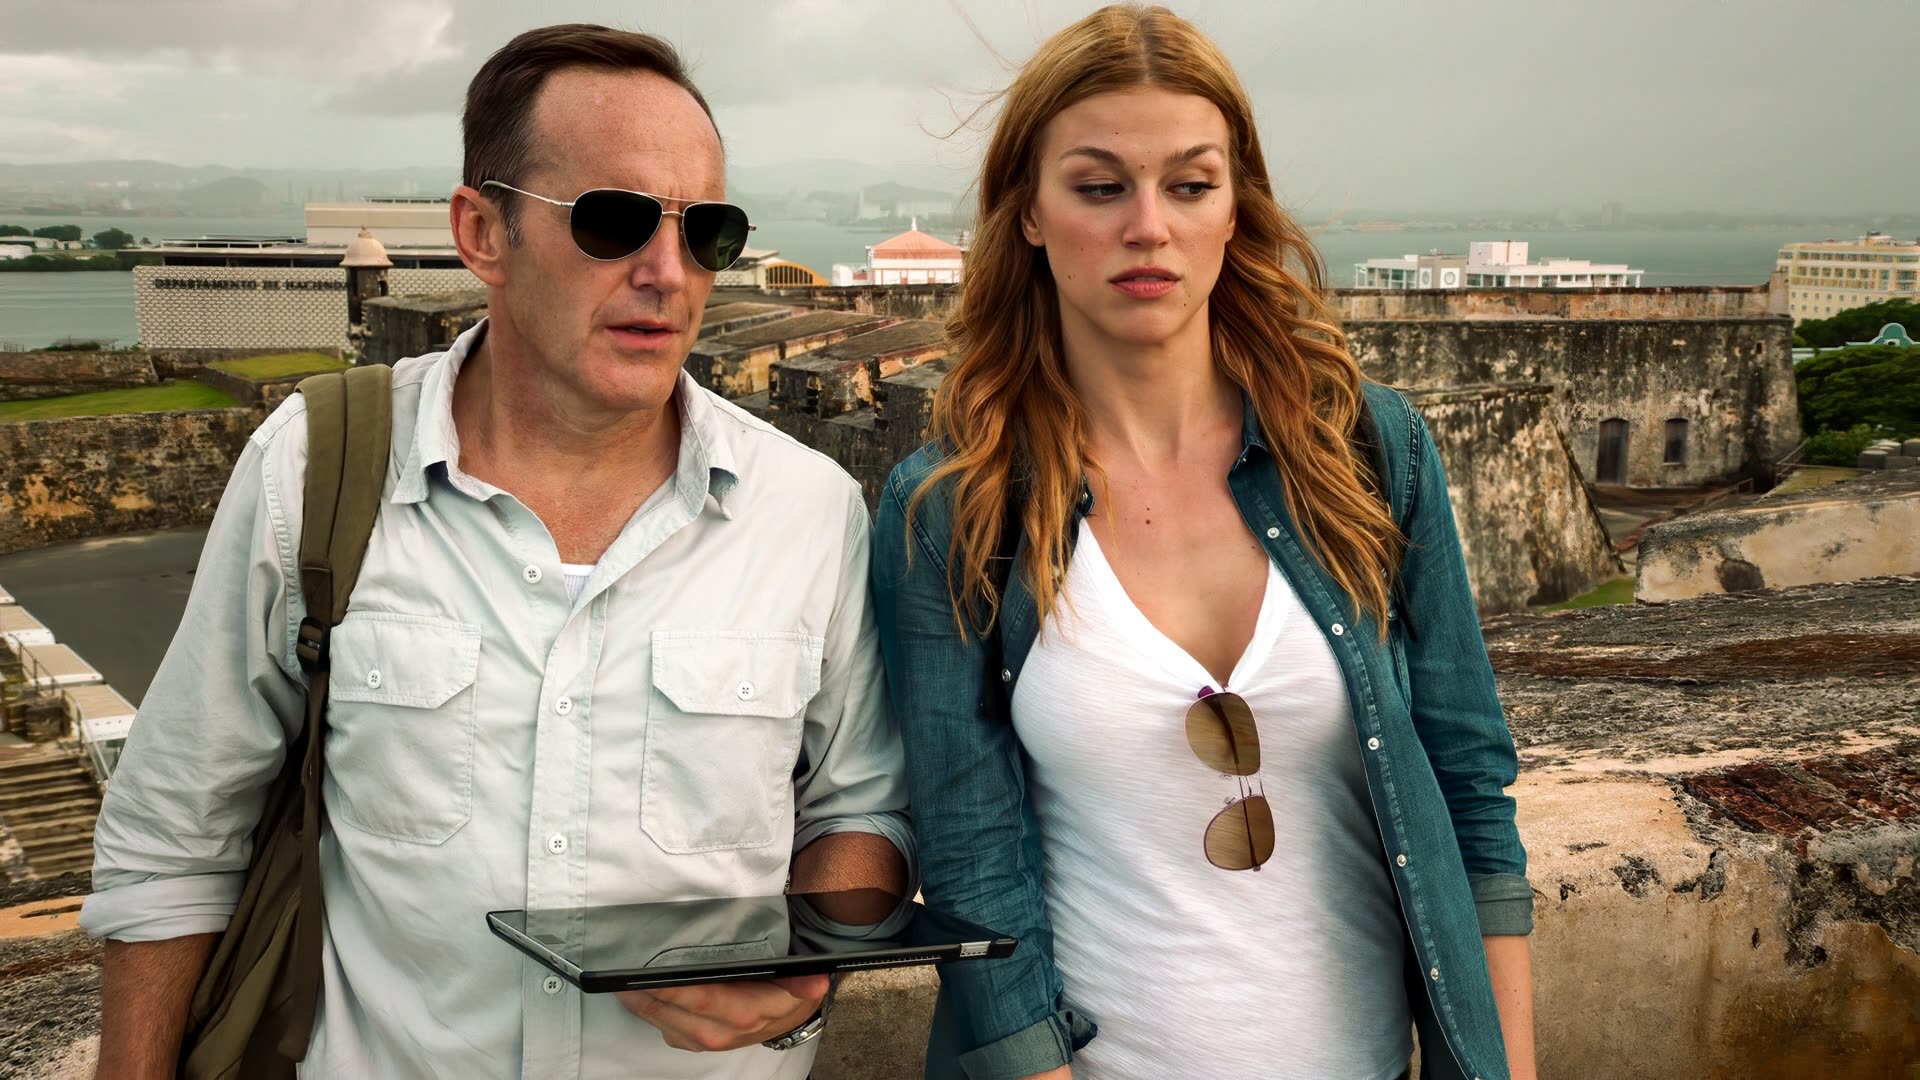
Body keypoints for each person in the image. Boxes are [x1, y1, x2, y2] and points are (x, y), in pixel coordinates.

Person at [81, 24, 912, 1080]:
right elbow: (176, 835)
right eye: (613, 221)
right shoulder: (315, 470)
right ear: (482, 233)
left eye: (708, 231)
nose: (668, 272)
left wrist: (799, 970)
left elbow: (859, 807)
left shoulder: (808, 509)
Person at [870, 6, 1534, 1080]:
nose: (1149, 227)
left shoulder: (1369, 451)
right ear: (1028, 212)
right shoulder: (954, 506)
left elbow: (1470, 794)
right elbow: (970, 859)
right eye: (1099, 188)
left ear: (1236, 207)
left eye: (1189, 185)